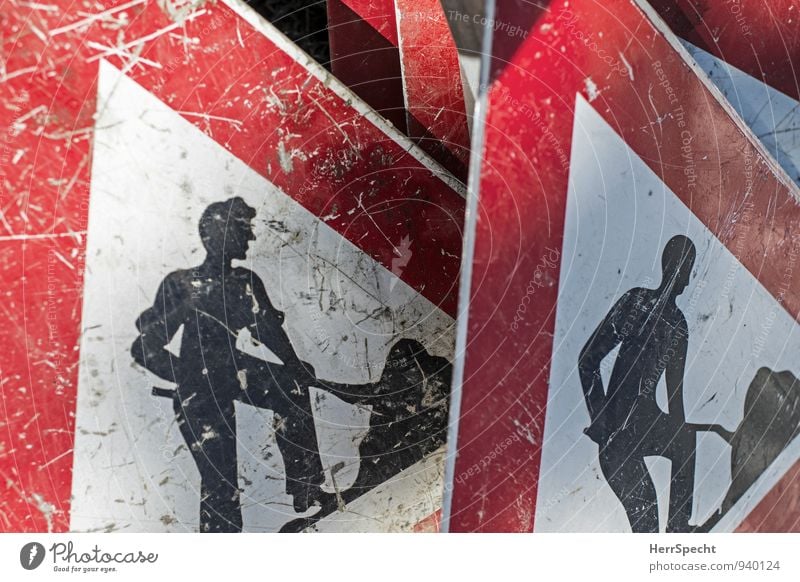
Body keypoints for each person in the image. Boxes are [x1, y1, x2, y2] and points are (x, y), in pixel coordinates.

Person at [131, 197, 323, 532]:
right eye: (242, 229)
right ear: (219, 234)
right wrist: (189, 377)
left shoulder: (246, 282)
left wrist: (294, 367)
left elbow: (270, 332)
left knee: (291, 387)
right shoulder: (182, 283)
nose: (250, 237)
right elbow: (144, 346)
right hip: (199, 390)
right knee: (220, 481)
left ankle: (306, 489)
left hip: (235, 371)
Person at [578, 235, 698, 532]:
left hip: (644, 423)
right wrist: (602, 421)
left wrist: (682, 433)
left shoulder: (678, 325)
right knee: (646, 516)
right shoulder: (636, 301)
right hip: (616, 430)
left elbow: (675, 398)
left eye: (688, 269)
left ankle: (678, 529)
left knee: (684, 440)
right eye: (683, 268)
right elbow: (587, 361)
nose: (684, 277)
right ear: (668, 267)